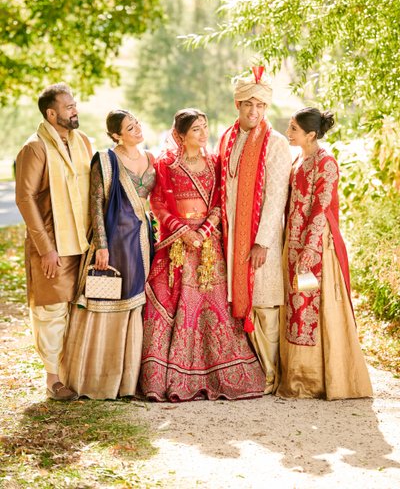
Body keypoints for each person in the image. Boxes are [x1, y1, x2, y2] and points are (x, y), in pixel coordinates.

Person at [140, 108, 265, 401]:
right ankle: (166, 378)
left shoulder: (214, 162)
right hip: (178, 245)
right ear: (180, 135)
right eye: (196, 129)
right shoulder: (167, 165)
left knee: (214, 304)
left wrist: (204, 231)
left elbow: (222, 201)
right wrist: (184, 233)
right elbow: (157, 203)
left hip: (209, 246)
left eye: (205, 127)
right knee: (172, 301)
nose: (203, 133)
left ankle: (223, 372)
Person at [275, 107, 372, 399]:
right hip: (292, 241)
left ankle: (318, 379)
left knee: (315, 303)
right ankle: (296, 376)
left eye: (293, 129)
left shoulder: (325, 162)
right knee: (296, 303)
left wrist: (308, 249)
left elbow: (321, 208)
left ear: (311, 135)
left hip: (317, 245)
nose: (288, 133)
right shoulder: (298, 159)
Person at [59, 110, 155, 399]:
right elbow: (96, 203)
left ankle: (129, 382)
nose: (137, 129)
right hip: (114, 242)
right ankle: (99, 379)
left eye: (137, 123)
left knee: (135, 304)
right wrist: (101, 244)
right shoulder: (106, 160)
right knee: (108, 299)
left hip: (142, 241)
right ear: (116, 135)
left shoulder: (152, 159)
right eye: (129, 127)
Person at [15, 83, 92, 401]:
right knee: (51, 312)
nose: (75, 110)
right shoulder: (35, 148)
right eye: (68, 106)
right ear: (51, 113)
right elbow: (25, 198)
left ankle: (75, 372)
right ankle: (53, 380)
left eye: (74, 105)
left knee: (78, 309)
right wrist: (46, 248)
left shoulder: (83, 142)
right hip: (52, 245)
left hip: (82, 243)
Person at [219, 66, 292, 394]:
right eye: (249, 104)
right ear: (237, 105)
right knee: (242, 300)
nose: (254, 111)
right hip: (234, 236)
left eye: (261, 106)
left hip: (262, 239)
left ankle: (271, 374)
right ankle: (253, 372)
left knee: (265, 302)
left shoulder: (275, 143)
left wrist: (262, 241)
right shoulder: (228, 139)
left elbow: (277, 195)